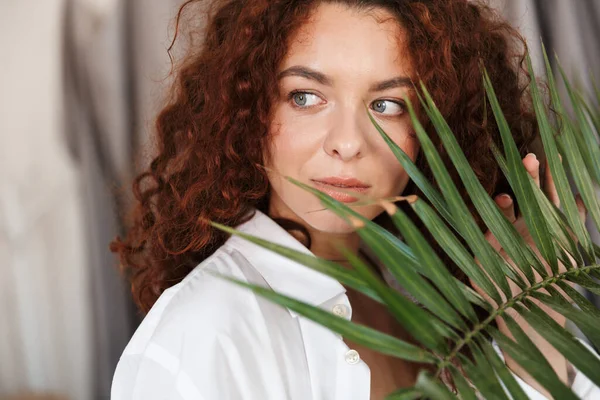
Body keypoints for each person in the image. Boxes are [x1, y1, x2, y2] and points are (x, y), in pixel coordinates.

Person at [110, 0, 600, 398]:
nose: (347, 142)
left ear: (435, 127)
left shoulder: (429, 288)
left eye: (387, 105)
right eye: (305, 96)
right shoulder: (203, 338)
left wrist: (534, 329)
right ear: (246, 110)